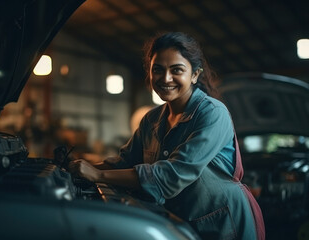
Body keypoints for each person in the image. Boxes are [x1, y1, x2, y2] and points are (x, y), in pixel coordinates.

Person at [68, 32, 265, 240]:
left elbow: (173, 175)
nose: (166, 78)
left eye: (176, 70)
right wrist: (76, 169)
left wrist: (97, 175)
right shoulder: (151, 119)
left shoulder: (213, 113)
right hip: (180, 223)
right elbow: (123, 162)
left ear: (195, 75)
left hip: (224, 224)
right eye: (158, 70)